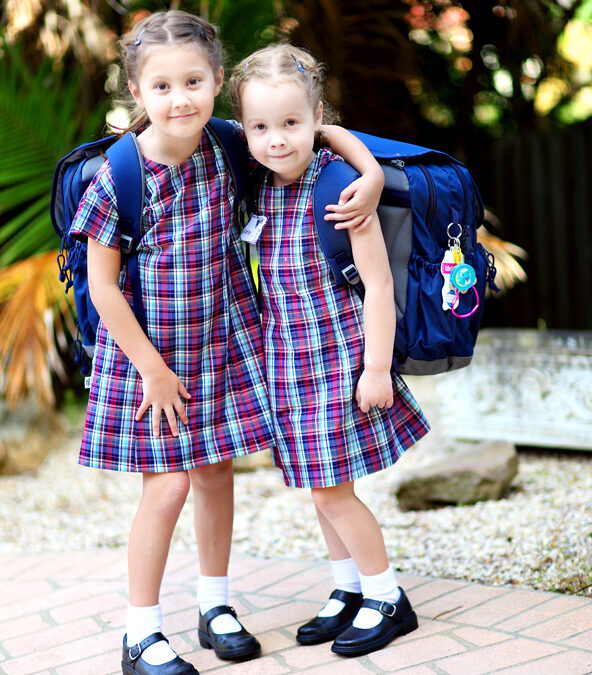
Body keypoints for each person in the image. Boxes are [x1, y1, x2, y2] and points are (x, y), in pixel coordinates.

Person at [70, 12, 387, 674]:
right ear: (136, 90)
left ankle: (214, 603)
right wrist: (153, 371)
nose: (179, 97)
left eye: (193, 80)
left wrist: (371, 172)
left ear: (217, 79)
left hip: (221, 338)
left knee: (215, 473)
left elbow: (312, 126)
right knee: (167, 488)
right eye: (162, 86)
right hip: (149, 355)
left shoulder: (228, 143)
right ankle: (140, 631)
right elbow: (102, 290)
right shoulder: (117, 176)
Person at [229, 44, 430, 658]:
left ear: (317, 116)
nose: (277, 140)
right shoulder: (263, 185)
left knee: (331, 491)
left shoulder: (341, 190)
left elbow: (378, 285)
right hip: (290, 362)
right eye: (261, 127)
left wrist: (376, 369)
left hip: (337, 360)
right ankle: (348, 590)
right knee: (320, 482)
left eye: (291, 123)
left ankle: (387, 596)